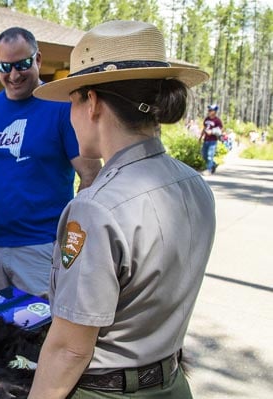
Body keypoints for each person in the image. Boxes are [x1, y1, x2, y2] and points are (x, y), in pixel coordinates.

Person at [29, 20, 215, 398]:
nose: (70, 115)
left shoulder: (95, 208)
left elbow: (70, 347)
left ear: (92, 102)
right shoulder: (194, 183)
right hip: (174, 383)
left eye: (72, 101)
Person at [0, 27, 102, 297]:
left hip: (42, 248)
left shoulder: (62, 109)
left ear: (38, 60)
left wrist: (67, 245)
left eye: (23, 64)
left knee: (40, 336)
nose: (14, 75)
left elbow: (91, 174)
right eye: (5, 66)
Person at [199, 104, 223, 175]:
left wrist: (212, 131)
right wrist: (200, 137)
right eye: (208, 110)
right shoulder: (206, 119)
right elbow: (204, 128)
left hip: (213, 140)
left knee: (210, 155)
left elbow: (220, 129)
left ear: (214, 111)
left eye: (210, 110)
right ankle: (213, 164)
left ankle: (209, 170)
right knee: (204, 155)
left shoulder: (217, 120)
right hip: (206, 140)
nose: (209, 111)